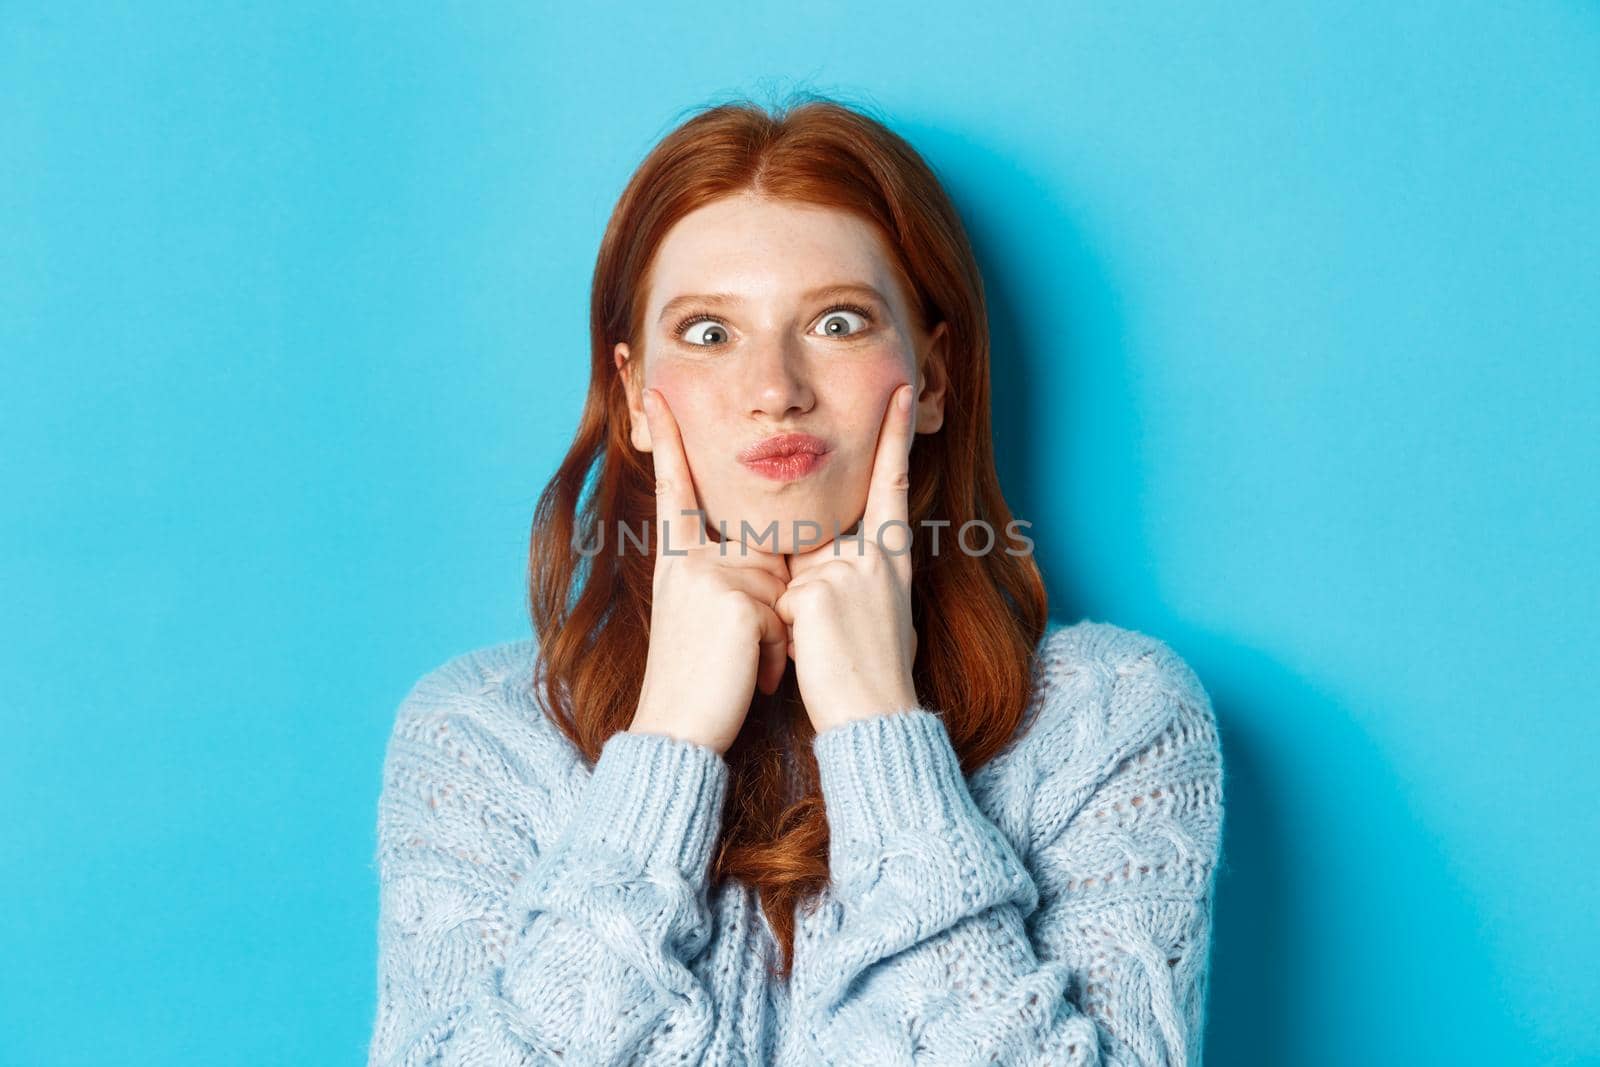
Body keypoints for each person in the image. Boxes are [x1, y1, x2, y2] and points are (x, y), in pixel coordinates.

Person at [366, 93, 1225, 1066]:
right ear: (630, 395)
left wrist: (881, 736)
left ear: (933, 377)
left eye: (838, 320)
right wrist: (665, 751)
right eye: (706, 332)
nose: (774, 386)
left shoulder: (1108, 717)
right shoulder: (480, 736)